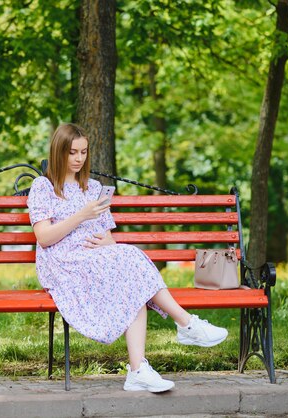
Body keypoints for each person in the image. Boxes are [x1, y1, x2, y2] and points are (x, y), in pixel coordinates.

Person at [27, 123, 228, 393]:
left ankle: (139, 370)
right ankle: (186, 324)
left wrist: (107, 242)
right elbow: (44, 237)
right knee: (132, 260)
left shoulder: (93, 187)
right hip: (64, 263)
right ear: (58, 152)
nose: (78, 159)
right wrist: (81, 216)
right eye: (72, 152)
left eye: (84, 152)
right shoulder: (43, 187)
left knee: (131, 277)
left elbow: (108, 236)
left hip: (96, 258)